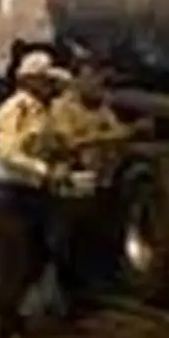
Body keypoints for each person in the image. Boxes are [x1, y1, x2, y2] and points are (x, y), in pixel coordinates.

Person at [0, 49, 71, 338]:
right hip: (12, 192)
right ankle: (8, 324)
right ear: (31, 81)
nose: (51, 86)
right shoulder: (15, 110)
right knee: (16, 258)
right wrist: (43, 170)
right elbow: (8, 153)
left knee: (39, 253)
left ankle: (11, 308)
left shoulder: (42, 111)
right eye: (46, 80)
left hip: (34, 191)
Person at [46, 58, 132, 320]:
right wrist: (107, 137)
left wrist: (114, 135)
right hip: (69, 183)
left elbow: (119, 131)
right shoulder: (62, 107)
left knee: (91, 240)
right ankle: (63, 299)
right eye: (91, 78)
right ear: (77, 80)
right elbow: (69, 141)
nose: (96, 84)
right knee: (66, 242)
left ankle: (87, 294)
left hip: (97, 183)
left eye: (98, 79)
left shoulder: (101, 107)